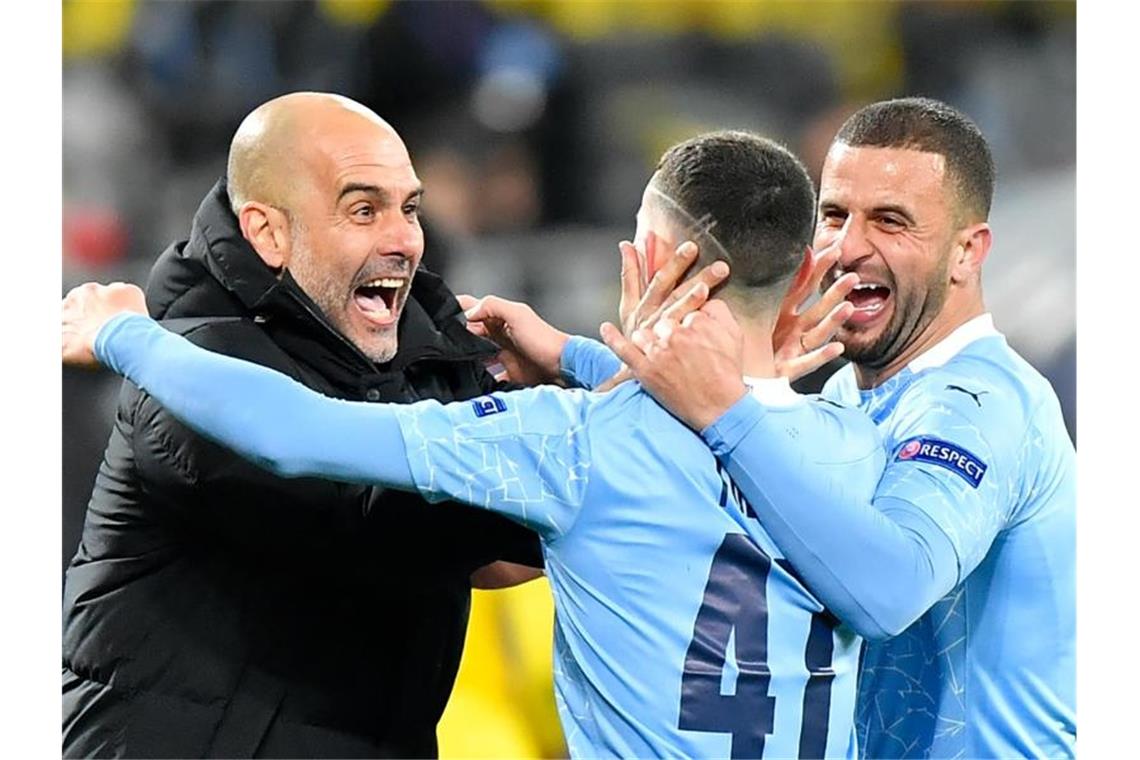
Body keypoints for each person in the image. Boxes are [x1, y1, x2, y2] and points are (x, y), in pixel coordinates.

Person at [64, 131, 887, 759]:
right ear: (800, 274)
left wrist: (125, 334)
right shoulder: (854, 441)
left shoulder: (570, 441)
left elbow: (288, 430)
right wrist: (577, 357)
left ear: (652, 263)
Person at [60, 92, 547, 758]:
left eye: (408, 208)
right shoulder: (190, 370)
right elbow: (386, 520)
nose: (404, 238)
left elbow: (492, 560)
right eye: (364, 209)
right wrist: (600, 451)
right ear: (267, 233)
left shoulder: (422, 352)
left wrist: (560, 391)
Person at [597, 98, 1076, 758]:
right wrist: (608, 368)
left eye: (890, 221)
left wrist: (732, 412)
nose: (848, 247)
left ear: (968, 251)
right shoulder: (850, 393)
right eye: (834, 214)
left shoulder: (979, 403)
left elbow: (889, 591)